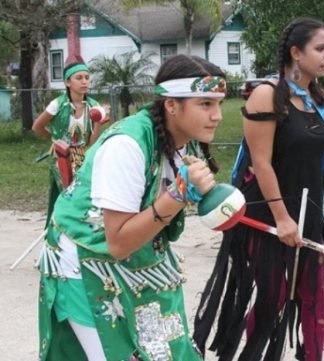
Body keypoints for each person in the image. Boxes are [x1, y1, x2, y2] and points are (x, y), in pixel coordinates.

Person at [193, 17, 324, 361]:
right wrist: (282, 219)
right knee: (274, 298)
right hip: (268, 213)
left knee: (314, 298)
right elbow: (261, 162)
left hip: (307, 213)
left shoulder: (316, 98)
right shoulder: (267, 96)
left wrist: (313, 216)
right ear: (296, 53)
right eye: (320, 48)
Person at [37, 54, 227, 360]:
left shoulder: (182, 140)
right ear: (171, 105)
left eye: (218, 103)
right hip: (86, 263)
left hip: (139, 257)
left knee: (167, 350)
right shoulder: (127, 146)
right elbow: (118, 243)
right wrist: (179, 194)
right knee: (122, 352)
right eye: (205, 104)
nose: (217, 115)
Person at [32, 58, 108, 226]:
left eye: (87, 77)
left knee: (84, 191)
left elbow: (92, 142)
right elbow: (37, 127)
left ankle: (75, 227)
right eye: (79, 78)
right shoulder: (57, 104)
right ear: (67, 82)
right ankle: (67, 227)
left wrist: (98, 123)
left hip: (83, 154)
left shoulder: (93, 106)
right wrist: (54, 141)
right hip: (61, 156)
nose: (84, 82)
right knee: (69, 192)